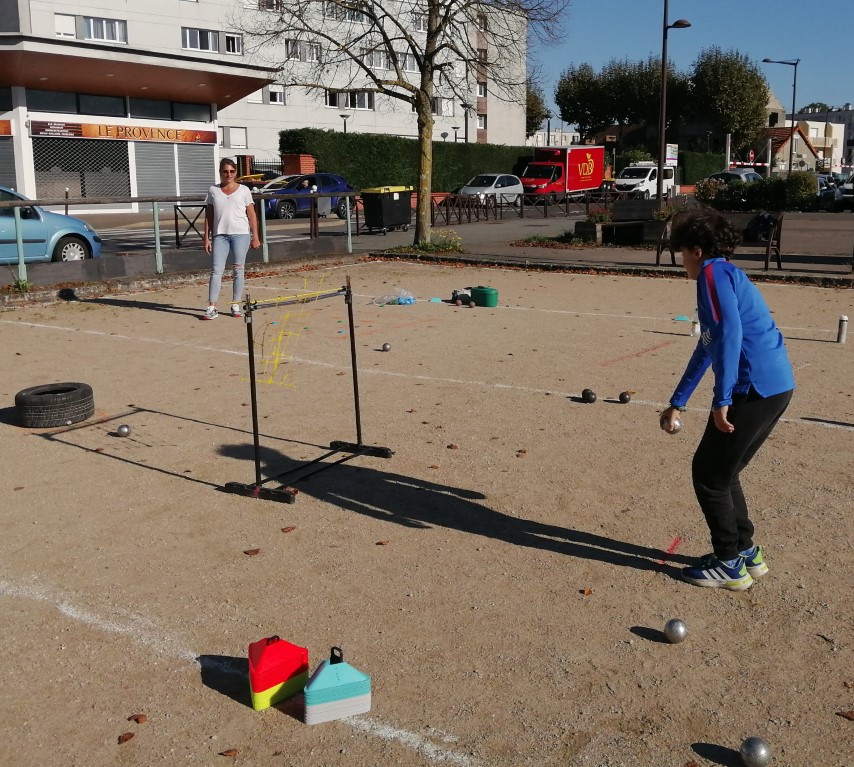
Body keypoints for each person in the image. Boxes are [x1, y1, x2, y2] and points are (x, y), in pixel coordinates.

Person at [661, 209, 795, 591]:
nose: (681, 260)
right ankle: (746, 552)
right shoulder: (726, 274)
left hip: (753, 388)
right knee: (725, 471)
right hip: (777, 385)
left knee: (709, 475)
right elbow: (709, 343)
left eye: (682, 252)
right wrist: (679, 400)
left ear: (697, 250)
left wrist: (722, 398)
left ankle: (728, 564)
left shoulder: (711, 274)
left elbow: (731, 333)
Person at [202, 158, 261, 320]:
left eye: (232, 171)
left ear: (235, 172)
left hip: (240, 234)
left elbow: (251, 214)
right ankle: (212, 306)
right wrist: (206, 238)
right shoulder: (213, 190)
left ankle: (235, 303)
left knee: (238, 270)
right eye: (225, 171)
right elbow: (209, 215)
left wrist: (255, 236)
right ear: (220, 172)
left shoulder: (244, 190)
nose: (228, 174)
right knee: (216, 271)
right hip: (220, 235)